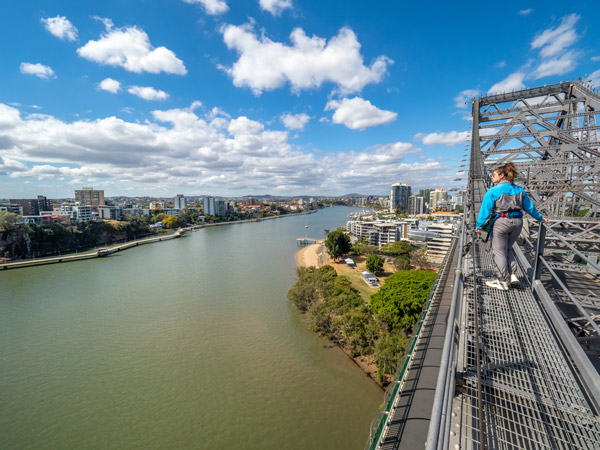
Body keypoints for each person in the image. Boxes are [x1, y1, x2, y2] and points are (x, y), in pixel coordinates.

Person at [475, 162, 548, 290]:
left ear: (502, 175)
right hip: (518, 222)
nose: (492, 177)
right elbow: (529, 207)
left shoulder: (493, 191)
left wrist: (479, 225)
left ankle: (502, 281)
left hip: (501, 222)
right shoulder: (520, 190)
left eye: (494, 175)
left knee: (499, 252)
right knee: (508, 248)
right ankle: (513, 274)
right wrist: (540, 217)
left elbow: (485, 210)